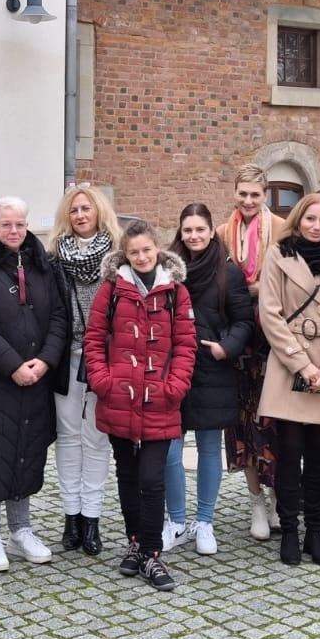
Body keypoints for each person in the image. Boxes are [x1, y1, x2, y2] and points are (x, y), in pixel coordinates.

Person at [84, 220, 196, 591]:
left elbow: (185, 345)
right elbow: (94, 339)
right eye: (134, 252)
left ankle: (151, 553)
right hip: (119, 398)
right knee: (128, 477)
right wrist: (103, 382)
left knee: (152, 477)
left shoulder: (175, 293)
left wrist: (174, 386)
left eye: (147, 250)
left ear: (157, 249)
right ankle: (134, 542)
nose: (142, 257)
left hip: (160, 400)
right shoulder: (111, 291)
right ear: (125, 255)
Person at [0, 196, 68, 572]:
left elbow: (59, 317)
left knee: (27, 450)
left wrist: (45, 361)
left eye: (20, 225)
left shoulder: (42, 267)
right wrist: (13, 366)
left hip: (36, 378)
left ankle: (21, 529)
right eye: (6, 225)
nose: (13, 231)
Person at [257, 193, 320, 566]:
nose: (316, 226)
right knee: (289, 452)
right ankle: (290, 529)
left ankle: (315, 531)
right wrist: (302, 365)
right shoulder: (278, 256)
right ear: (298, 220)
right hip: (290, 366)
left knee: (319, 455)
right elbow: (270, 314)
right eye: (310, 219)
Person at [163, 203, 254, 557]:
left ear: (211, 230)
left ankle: (204, 521)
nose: (194, 236)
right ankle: (176, 520)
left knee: (208, 448)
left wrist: (225, 348)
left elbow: (244, 320)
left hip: (213, 369)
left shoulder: (227, 272)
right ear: (180, 232)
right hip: (174, 369)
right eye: (188, 230)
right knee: (170, 449)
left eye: (200, 229)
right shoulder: (168, 270)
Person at [47, 183, 122, 557]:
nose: (80, 215)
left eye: (86, 209)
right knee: (68, 435)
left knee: (96, 437)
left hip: (102, 357)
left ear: (98, 213)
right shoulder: (54, 258)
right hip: (66, 356)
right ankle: (71, 515)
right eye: (74, 209)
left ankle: (92, 517)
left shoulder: (117, 258)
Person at [217, 163, 288, 541]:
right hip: (238, 339)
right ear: (234, 192)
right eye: (242, 193)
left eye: (255, 195)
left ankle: (278, 494)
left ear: (264, 194)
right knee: (243, 424)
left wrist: (258, 290)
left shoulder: (281, 229)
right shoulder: (221, 233)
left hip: (273, 340)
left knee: (274, 421)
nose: (247, 201)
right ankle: (256, 500)